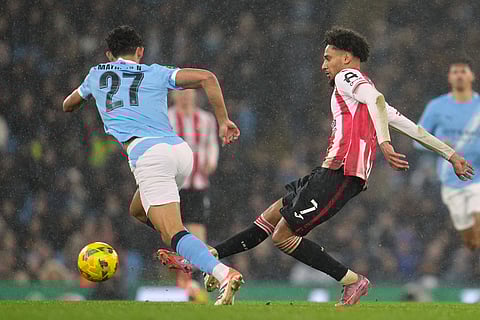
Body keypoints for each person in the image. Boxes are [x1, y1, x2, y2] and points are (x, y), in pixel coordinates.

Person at [160, 27, 474, 306]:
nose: (324, 65)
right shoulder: (361, 97)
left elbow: (377, 100)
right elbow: (410, 125)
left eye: (328, 58)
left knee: (282, 236)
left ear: (347, 58)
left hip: (341, 176)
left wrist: (385, 144)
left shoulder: (348, 78)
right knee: (269, 218)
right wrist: (451, 155)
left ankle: (352, 281)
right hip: (327, 172)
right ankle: (212, 257)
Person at [62, 25, 243, 305]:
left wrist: (85, 97)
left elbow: (68, 104)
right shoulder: (154, 71)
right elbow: (208, 78)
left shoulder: (96, 74)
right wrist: (223, 121)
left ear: (109, 55)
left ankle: (223, 273)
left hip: (148, 156)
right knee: (137, 209)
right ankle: (197, 252)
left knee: (173, 231)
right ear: (140, 52)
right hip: (180, 152)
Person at [415, 58, 480, 250]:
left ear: (472, 76)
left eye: (463, 71)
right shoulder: (437, 106)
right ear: (449, 78)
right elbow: (416, 139)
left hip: (477, 177)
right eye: (455, 72)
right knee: (470, 240)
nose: (459, 75)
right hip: (449, 180)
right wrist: (440, 145)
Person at [168, 89, 220, 290]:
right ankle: (181, 276)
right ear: (174, 97)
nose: (185, 97)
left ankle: (196, 275)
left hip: (197, 183)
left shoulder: (205, 119)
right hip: (173, 184)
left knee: (197, 228)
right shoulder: (168, 117)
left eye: (189, 93)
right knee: (174, 229)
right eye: (181, 93)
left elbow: (211, 144)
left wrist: (211, 162)